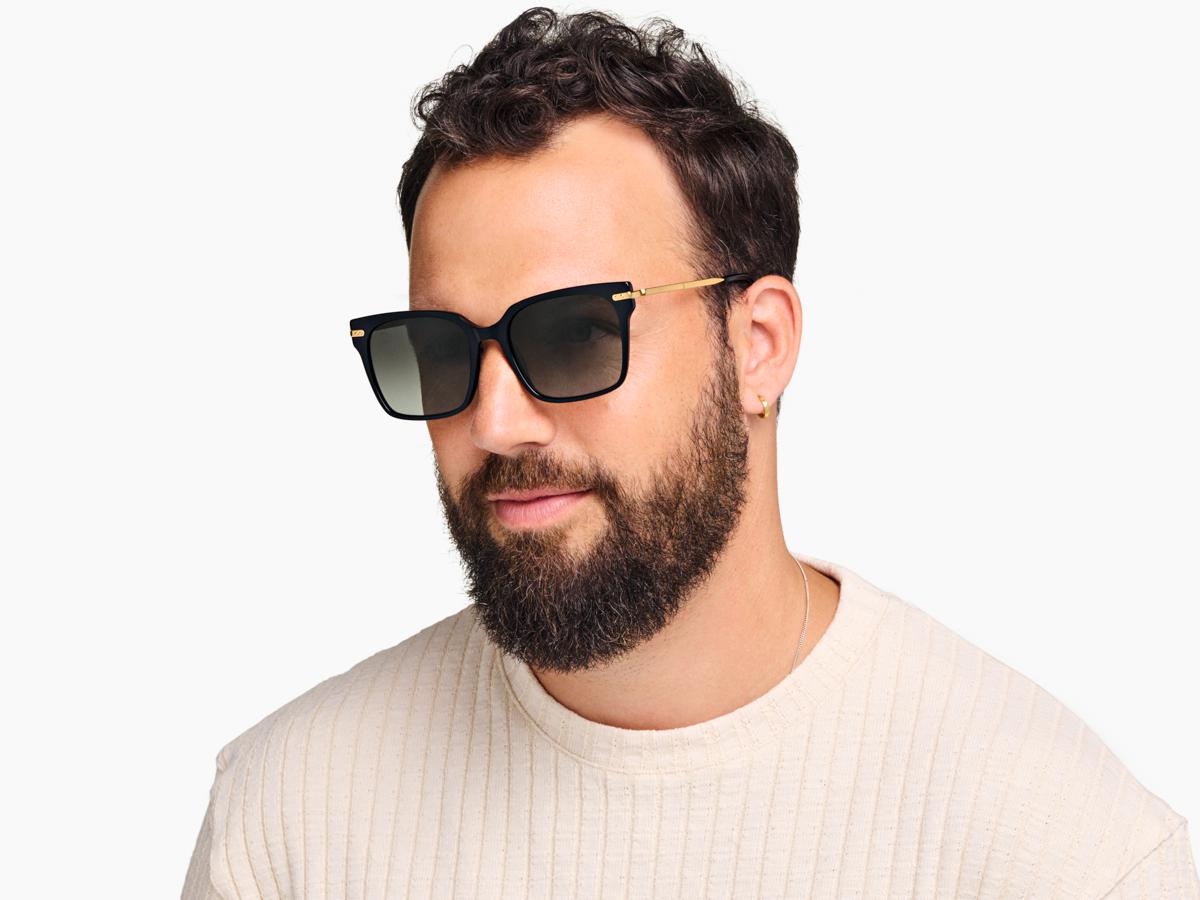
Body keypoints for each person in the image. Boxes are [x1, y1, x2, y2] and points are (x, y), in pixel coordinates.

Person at [182, 7, 1199, 898]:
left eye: (574, 334)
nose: (495, 423)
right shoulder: (290, 826)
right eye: (442, 350)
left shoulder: (1067, 857)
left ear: (758, 346)